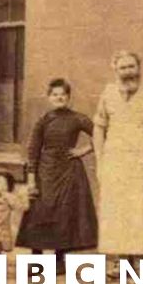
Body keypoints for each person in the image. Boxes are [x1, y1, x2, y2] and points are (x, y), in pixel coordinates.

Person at [93, 50, 143, 276]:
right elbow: (99, 127)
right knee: (118, 209)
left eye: (132, 67)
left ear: (139, 67)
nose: (128, 72)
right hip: (115, 157)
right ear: (115, 70)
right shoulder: (108, 92)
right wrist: (100, 160)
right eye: (123, 68)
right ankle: (121, 260)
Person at [16, 78, 97, 271]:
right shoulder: (44, 120)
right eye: (55, 94)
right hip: (46, 171)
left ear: (68, 97)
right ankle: (36, 260)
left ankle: (60, 259)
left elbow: (103, 133)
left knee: (65, 212)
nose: (59, 97)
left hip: (69, 171)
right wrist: (31, 179)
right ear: (49, 98)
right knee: (40, 211)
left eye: (63, 94)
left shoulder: (78, 118)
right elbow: (33, 150)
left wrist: (83, 150)